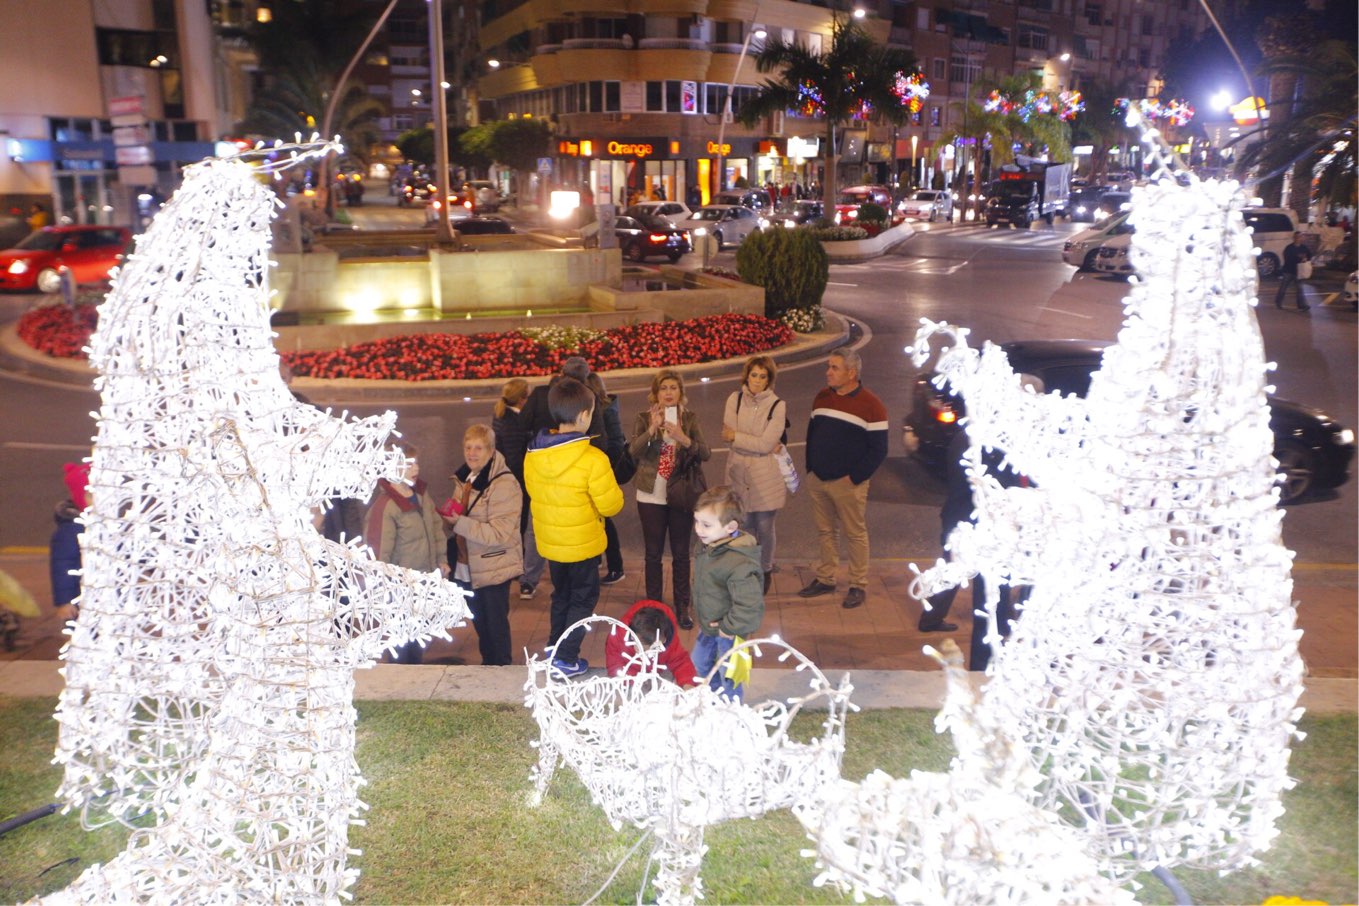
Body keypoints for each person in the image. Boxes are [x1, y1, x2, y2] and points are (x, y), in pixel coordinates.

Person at [523, 376, 625, 678]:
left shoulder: (534, 454)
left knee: (561, 597)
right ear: (583, 415)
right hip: (582, 545)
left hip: (552, 545)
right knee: (582, 601)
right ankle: (565, 659)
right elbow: (611, 505)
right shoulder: (593, 459)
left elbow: (534, 494)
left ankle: (555, 649)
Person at [798, 346, 888, 610]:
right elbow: (812, 434)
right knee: (826, 532)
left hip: (848, 483)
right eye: (829, 366)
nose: (828, 372)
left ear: (851, 373)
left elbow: (879, 449)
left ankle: (858, 584)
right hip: (819, 479)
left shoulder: (872, 406)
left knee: (855, 533)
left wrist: (855, 478)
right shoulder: (822, 397)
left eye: (834, 368)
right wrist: (810, 468)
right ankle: (826, 578)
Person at [627, 369, 710, 630]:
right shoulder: (643, 418)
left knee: (681, 554)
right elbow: (633, 451)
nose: (669, 392)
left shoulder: (689, 419)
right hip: (650, 494)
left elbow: (705, 453)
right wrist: (653, 428)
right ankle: (653, 607)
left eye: (674, 387)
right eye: (664, 388)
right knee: (652, 555)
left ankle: (682, 606)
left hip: (680, 494)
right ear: (656, 393)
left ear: (680, 393)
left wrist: (683, 439)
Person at [440, 424, 522, 666]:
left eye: (478, 448)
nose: (472, 453)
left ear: (491, 450)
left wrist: (460, 523)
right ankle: (489, 668)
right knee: (480, 623)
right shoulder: (466, 478)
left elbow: (500, 533)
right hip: (468, 565)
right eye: (468, 447)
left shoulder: (503, 484)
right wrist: (450, 521)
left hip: (493, 565)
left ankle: (502, 672)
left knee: (495, 627)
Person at [365, 444, 449, 664]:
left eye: (416, 463)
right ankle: (399, 684)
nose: (416, 468)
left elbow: (436, 528)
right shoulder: (386, 506)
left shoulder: (420, 496)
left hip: (423, 582)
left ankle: (414, 678)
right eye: (408, 464)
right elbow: (378, 551)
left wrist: (441, 559)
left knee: (417, 640)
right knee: (400, 644)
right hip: (400, 588)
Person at [690, 486, 764, 701]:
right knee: (700, 665)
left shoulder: (738, 563)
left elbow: (749, 605)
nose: (698, 529)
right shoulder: (710, 546)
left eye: (706, 525)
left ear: (731, 526)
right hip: (710, 627)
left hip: (729, 633)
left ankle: (732, 714)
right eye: (696, 521)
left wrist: (729, 628)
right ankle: (711, 703)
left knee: (730, 676)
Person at [721, 355, 788, 593]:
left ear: (769, 379)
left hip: (765, 476)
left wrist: (738, 437)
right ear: (746, 376)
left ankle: (765, 568)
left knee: (764, 526)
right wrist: (754, 441)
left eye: (763, 376)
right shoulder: (735, 399)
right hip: (738, 475)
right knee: (743, 525)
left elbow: (765, 443)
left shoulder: (778, 405)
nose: (757, 381)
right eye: (753, 375)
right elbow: (727, 434)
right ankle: (745, 571)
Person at [493, 378, 541, 599]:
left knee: (518, 525)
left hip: (509, 479)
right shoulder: (514, 421)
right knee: (524, 526)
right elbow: (515, 457)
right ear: (522, 399)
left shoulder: (501, 415)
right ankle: (519, 567)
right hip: (519, 480)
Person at [587, 371, 627, 585]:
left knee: (604, 518)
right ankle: (601, 559)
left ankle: (616, 566)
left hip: (602, 471)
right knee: (596, 517)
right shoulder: (599, 409)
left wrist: (601, 463)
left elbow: (616, 444)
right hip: (595, 470)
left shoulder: (605, 411)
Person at [604, 599, 699, 686]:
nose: (645, 655)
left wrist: (687, 684)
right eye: (640, 648)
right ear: (633, 636)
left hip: (656, 675)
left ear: (664, 640)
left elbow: (680, 661)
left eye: (654, 649)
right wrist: (634, 680)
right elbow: (614, 666)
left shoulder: (669, 638)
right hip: (629, 679)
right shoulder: (618, 636)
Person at [50, 461, 89, 623]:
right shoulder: (71, 529)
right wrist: (64, 601)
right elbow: (62, 565)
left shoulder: (110, 522)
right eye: (92, 495)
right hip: (81, 600)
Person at [1274, 232, 1313, 312]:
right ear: (1294, 238)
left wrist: (1306, 259)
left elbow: (1309, 255)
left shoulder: (1304, 248)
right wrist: (1299, 259)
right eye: (1298, 237)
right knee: (1283, 287)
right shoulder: (1289, 248)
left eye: (1301, 237)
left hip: (1299, 272)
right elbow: (1288, 258)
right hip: (1289, 270)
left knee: (1300, 289)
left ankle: (1301, 305)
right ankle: (1278, 302)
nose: (1300, 239)